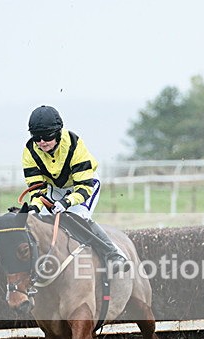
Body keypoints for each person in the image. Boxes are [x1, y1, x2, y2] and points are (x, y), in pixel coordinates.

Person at [22, 105, 128, 273]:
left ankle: (113, 254)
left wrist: (66, 202)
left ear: (58, 132)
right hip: (56, 188)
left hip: (85, 185)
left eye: (47, 136)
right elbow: (37, 190)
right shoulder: (30, 152)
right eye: (37, 137)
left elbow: (84, 188)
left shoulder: (74, 145)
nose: (41, 142)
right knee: (39, 221)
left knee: (77, 218)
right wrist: (35, 208)